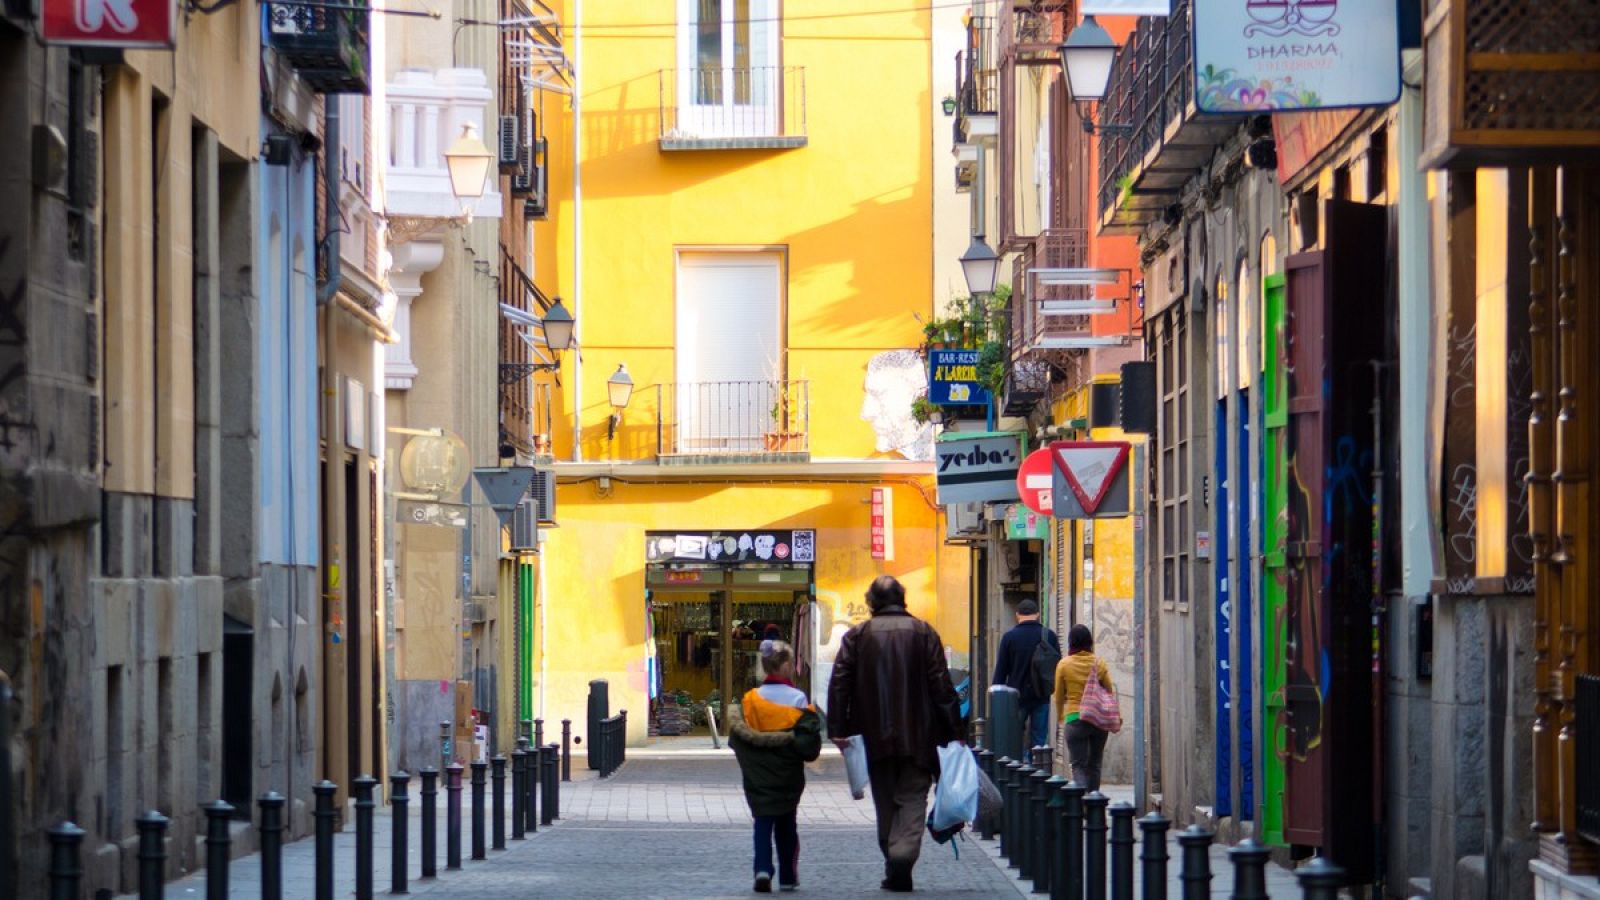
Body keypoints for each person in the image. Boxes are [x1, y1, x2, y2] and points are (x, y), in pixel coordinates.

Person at [826, 575, 963, 893]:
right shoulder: (924, 632)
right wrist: (954, 731)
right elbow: (942, 687)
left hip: (872, 736)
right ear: (903, 600)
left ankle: (894, 860)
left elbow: (840, 682)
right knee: (913, 798)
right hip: (920, 735)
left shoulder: (858, 636)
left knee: (885, 801)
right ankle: (903, 857)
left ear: (871, 602)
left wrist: (838, 729)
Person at [728, 639, 823, 893]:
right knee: (787, 823)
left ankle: (762, 869)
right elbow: (807, 744)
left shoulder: (751, 699)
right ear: (785, 666)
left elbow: (738, 740)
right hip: (787, 775)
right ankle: (788, 876)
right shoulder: (798, 699)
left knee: (762, 822)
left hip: (758, 776)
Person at [990, 598, 1060, 750]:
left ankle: (1019, 769)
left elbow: (1001, 670)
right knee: (1039, 739)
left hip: (1016, 696)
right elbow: (1057, 667)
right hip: (1041, 695)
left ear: (1017, 615)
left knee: (1014, 737)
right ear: (1038, 614)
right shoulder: (1049, 636)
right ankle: (1037, 769)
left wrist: (995, 698)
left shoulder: (1009, 637)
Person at [1053, 624, 1115, 790]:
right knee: (1094, 765)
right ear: (1090, 642)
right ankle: (1094, 804)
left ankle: (1081, 803)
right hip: (1098, 720)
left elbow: (1058, 695)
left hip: (1075, 718)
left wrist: (1060, 716)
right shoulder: (1099, 663)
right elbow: (1109, 690)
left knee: (1078, 765)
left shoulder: (1064, 665)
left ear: (1071, 642)